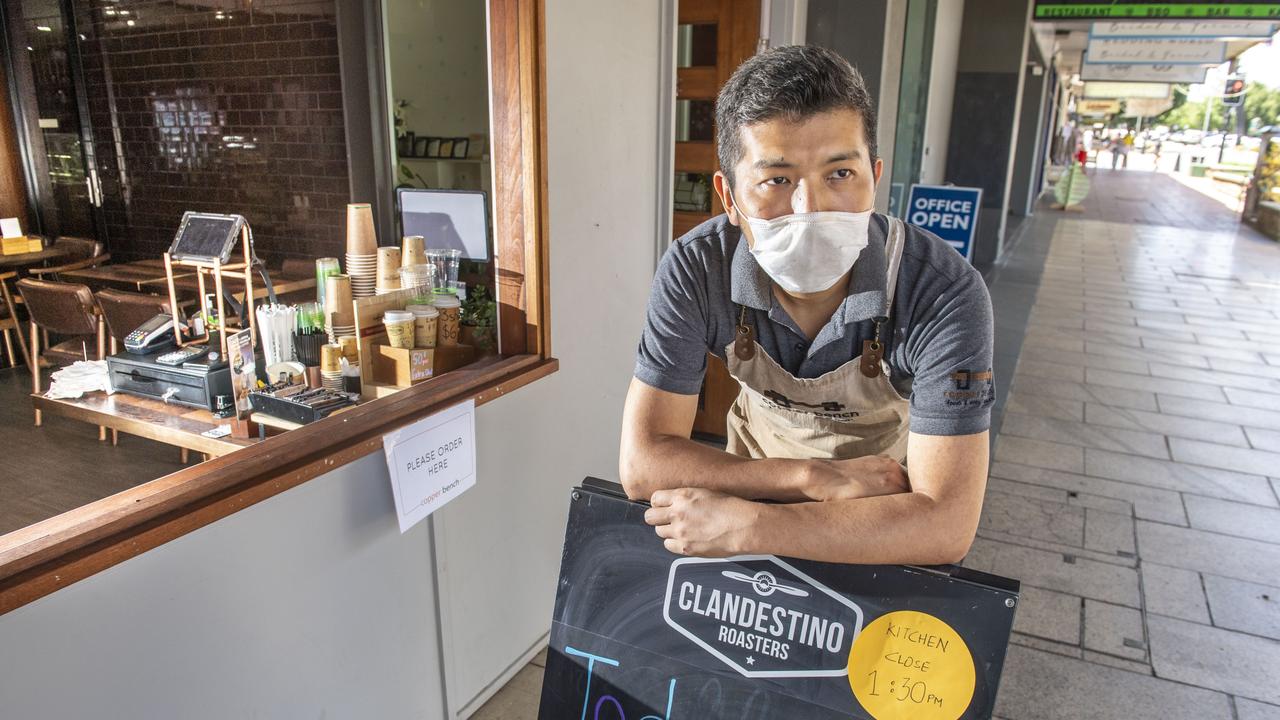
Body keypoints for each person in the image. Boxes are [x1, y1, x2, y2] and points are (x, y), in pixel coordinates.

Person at [621, 46, 994, 566]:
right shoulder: (698, 269)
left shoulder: (940, 291)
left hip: (878, 514)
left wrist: (755, 524)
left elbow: (945, 522)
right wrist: (808, 477)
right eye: (777, 179)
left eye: (839, 174)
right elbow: (643, 464)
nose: (810, 209)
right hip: (755, 481)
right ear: (728, 198)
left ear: (875, 175)